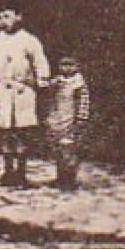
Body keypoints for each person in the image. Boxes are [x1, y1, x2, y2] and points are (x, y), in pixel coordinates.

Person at [0, 5, 50, 186]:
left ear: (19, 17)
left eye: (7, 16)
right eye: (0, 18)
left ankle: (21, 172)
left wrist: (42, 83)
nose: (3, 21)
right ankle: (7, 171)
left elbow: (40, 63)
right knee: (5, 132)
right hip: (2, 91)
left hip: (23, 92)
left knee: (22, 131)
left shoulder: (30, 41)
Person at [44, 54, 91, 190]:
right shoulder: (57, 82)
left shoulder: (79, 84)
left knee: (69, 150)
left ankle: (70, 178)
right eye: (63, 65)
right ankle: (60, 177)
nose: (66, 68)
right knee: (58, 150)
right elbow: (48, 96)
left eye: (70, 65)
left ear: (77, 67)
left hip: (71, 120)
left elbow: (83, 103)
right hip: (57, 119)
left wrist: (81, 118)